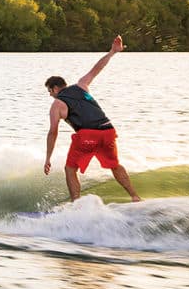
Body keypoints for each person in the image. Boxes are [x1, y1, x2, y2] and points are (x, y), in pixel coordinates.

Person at [44, 35, 141, 202]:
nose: (50, 96)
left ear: (55, 88)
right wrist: (112, 52)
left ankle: (77, 204)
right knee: (114, 165)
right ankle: (135, 196)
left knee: (70, 169)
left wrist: (48, 158)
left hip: (87, 136)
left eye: (50, 92)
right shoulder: (82, 85)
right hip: (108, 131)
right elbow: (97, 68)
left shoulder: (57, 105)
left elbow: (53, 132)